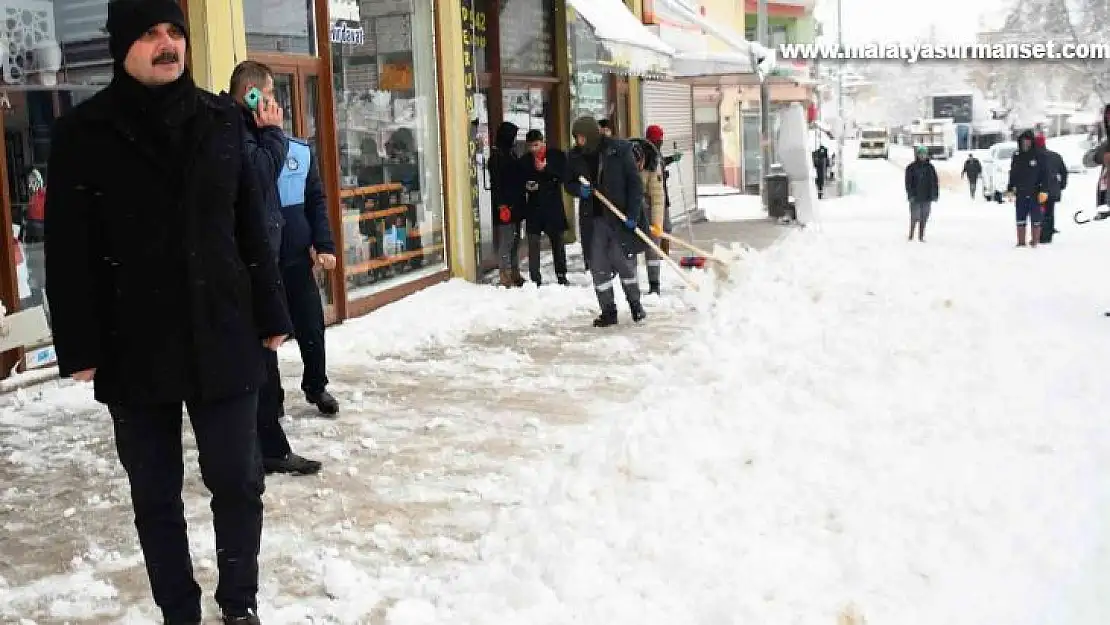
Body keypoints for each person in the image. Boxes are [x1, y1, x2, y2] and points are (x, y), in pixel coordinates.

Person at [43, 1, 293, 622]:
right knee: (154, 496)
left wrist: (272, 313)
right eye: (151, 33)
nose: (167, 44)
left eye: (175, 31)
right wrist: (79, 345)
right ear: (122, 45)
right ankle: (177, 611)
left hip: (224, 329)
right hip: (134, 342)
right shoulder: (84, 133)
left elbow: (249, 227)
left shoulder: (222, 120)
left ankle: (239, 603)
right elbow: (69, 251)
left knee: (238, 481)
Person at [229, 61, 324, 478]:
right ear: (252, 96)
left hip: (258, 260)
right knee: (257, 362)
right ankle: (259, 451)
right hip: (245, 266)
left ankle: (266, 446)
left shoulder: (242, 130)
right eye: (268, 97)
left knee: (262, 359)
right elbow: (258, 178)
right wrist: (271, 132)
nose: (275, 106)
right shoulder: (238, 131)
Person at [566, 116, 646, 326]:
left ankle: (636, 305)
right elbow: (568, 183)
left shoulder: (618, 151)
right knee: (598, 266)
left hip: (618, 219)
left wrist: (633, 215)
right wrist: (578, 190)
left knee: (624, 265)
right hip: (594, 220)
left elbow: (635, 185)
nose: (579, 142)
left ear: (592, 135)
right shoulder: (575, 157)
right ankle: (608, 311)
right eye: (576, 138)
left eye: (582, 137)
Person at [520, 129, 569, 286]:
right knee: (533, 242)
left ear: (543, 142)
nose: (534, 149)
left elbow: (563, 176)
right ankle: (535, 277)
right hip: (534, 207)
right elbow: (520, 180)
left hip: (553, 206)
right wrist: (527, 186)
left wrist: (546, 169)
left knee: (557, 242)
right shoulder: (525, 160)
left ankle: (561, 274)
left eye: (536, 145)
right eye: (531, 146)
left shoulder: (555, 155)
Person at [489, 121, 526, 287]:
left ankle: (515, 271)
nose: (514, 139)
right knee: (507, 240)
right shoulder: (496, 157)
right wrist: (501, 205)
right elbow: (496, 184)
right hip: (504, 205)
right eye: (512, 136)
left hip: (517, 203)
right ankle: (504, 273)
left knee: (516, 239)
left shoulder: (511, 153)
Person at [631, 138, 667, 295]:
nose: (637, 169)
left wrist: (657, 223)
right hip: (629, 207)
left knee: (653, 244)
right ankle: (632, 287)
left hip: (647, 204)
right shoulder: (622, 163)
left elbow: (658, 198)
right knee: (628, 247)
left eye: (639, 166)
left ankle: (654, 284)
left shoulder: (653, 164)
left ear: (644, 160)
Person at [644, 125, 682, 255]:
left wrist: (671, 159)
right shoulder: (647, 153)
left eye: (661, 139)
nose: (660, 142)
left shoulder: (655, 152)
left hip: (662, 195)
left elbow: (660, 163)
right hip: (654, 199)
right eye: (658, 139)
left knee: (666, 228)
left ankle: (663, 253)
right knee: (662, 228)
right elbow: (651, 172)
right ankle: (660, 255)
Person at [1006, 129, 1048, 247]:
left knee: (1036, 218)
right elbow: (1013, 173)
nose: (1026, 144)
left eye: (1028, 141)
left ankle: (1035, 241)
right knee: (1020, 217)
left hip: (1036, 192)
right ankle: (1021, 241)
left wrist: (1044, 190)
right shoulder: (1017, 156)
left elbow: (1045, 174)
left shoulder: (1039, 155)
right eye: (1024, 141)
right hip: (1021, 192)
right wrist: (1010, 188)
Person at [1034, 133, 1066, 244]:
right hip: (1052, 189)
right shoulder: (1055, 156)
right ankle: (1048, 233)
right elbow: (1063, 172)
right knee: (1049, 211)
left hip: (1038, 189)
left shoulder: (1033, 157)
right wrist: (1062, 185)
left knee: (1038, 212)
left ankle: (1041, 234)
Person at [905, 145, 939, 242]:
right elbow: (908, 182)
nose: (923, 156)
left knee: (924, 216)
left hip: (927, 196)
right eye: (921, 154)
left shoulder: (930, 168)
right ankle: (911, 235)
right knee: (915, 216)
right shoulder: (911, 167)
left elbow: (935, 182)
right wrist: (910, 194)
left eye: (924, 154)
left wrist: (935, 194)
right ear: (917, 155)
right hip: (915, 197)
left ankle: (921, 236)